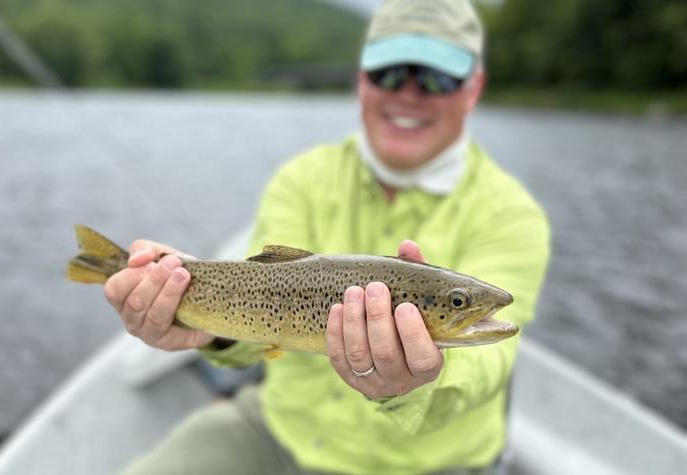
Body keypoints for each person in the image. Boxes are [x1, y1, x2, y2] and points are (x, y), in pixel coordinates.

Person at [104, 0, 550, 473]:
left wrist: (419, 380)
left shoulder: (512, 216)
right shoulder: (302, 179)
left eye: (438, 78)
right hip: (280, 433)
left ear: (473, 88)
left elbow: (488, 367)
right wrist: (203, 327)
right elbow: (264, 310)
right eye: (391, 74)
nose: (411, 95)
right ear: (362, 80)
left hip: (425, 464)